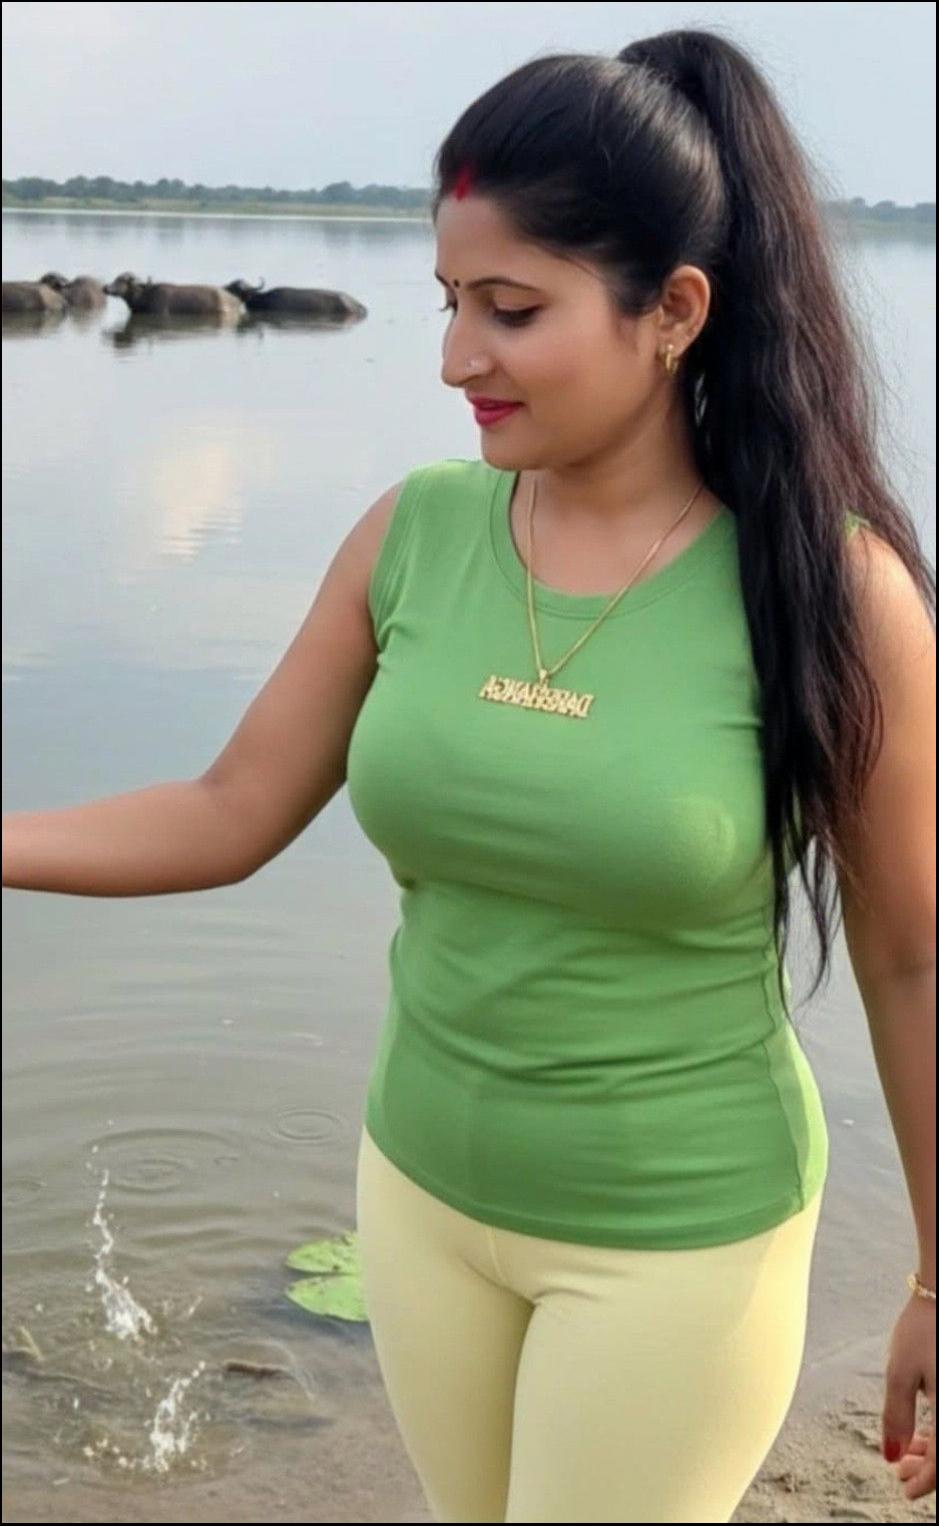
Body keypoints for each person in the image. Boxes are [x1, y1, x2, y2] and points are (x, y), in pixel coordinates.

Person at [3, 26, 935, 1524]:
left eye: (511, 309)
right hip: (421, 1195)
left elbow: (911, 955)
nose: (452, 357)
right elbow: (226, 810)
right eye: (448, 300)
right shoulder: (414, 533)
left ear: (674, 311)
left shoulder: (831, 595)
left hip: (673, 1236)